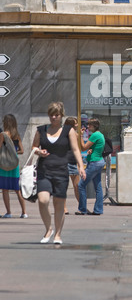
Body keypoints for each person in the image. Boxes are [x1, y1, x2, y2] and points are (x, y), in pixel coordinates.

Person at [32, 102, 85, 244]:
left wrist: (81, 166)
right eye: (51, 115)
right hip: (44, 170)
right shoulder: (41, 130)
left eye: (56, 115)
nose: (53, 117)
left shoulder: (69, 131)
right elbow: (34, 147)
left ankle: (58, 235)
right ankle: (48, 229)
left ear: (61, 115)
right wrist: (39, 151)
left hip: (61, 171)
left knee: (59, 204)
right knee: (43, 200)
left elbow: (75, 150)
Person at [0, 114, 27, 218]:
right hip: (14, 163)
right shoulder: (17, 135)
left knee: (5, 189)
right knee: (17, 189)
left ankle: (8, 212)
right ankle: (24, 212)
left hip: (4, 163)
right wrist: (13, 153)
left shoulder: (3, 134)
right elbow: (22, 150)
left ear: (5, 123)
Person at [76, 118, 105, 216]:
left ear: (94, 126)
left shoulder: (95, 135)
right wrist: (90, 151)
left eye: (89, 125)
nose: (88, 127)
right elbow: (95, 148)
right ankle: (98, 210)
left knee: (81, 185)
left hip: (94, 162)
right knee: (98, 187)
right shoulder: (100, 135)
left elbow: (84, 147)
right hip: (99, 161)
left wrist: (80, 135)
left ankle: (82, 209)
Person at [63, 117, 80, 215]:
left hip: (72, 161)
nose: (77, 125)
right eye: (75, 123)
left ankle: (80, 206)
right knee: (74, 186)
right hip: (67, 161)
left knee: (77, 186)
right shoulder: (69, 133)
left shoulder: (72, 133)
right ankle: (65, 208)